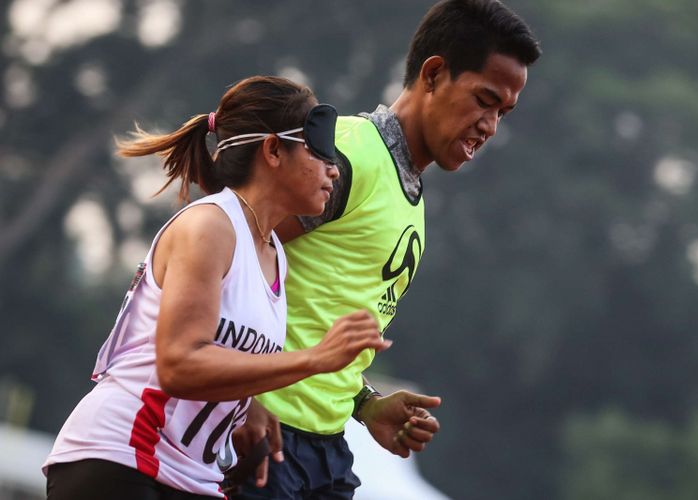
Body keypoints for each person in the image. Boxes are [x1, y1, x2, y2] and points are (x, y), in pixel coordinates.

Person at [234, 1, 542, 498]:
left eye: (503, 112)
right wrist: (238, 398)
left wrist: (365, 403)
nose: (490, 126)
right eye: (484, 99)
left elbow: (317, 316)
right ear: (435, 74)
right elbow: (224, 253)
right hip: (261, 436)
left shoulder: (412, 199)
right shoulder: (349, 156)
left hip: (325, 452)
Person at [42, 75, 391, 500]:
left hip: (191, 475)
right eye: (318, 149)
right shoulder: (210, 225)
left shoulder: (274, 254)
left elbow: (225, 355)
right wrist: (313, 359)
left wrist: (249, 407)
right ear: (274, 150)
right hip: (121, 459)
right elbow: (180, 366)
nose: (334, 167)